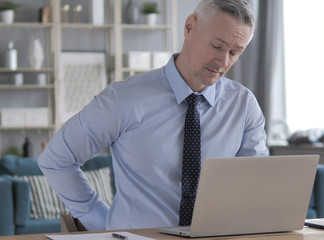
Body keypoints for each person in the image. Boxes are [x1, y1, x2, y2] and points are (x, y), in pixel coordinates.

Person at [39, 0, 269, 231]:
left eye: (234, 52)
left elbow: (256, 184)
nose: (224, 62)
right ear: (189, 27)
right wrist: (102, 223)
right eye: (217, 46)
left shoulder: (243, 105)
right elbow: (56, 160)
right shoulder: (124, 99)